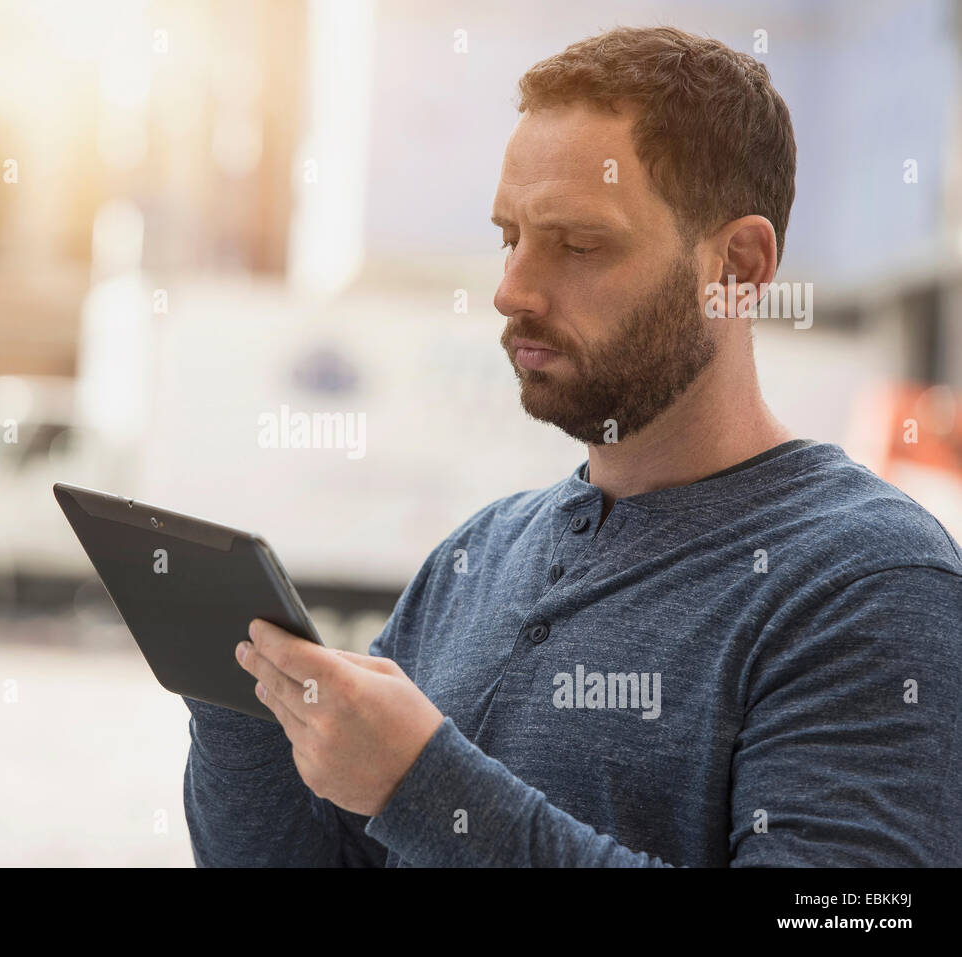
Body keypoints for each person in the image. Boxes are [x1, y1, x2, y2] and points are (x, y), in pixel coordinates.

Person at [183, 25, 962, 867]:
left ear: (738, 264)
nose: (511, 289)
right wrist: (235, 695)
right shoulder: (477, 554)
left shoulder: (869, 583)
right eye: (510, 237)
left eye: (579, 245)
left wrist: (425, 788)